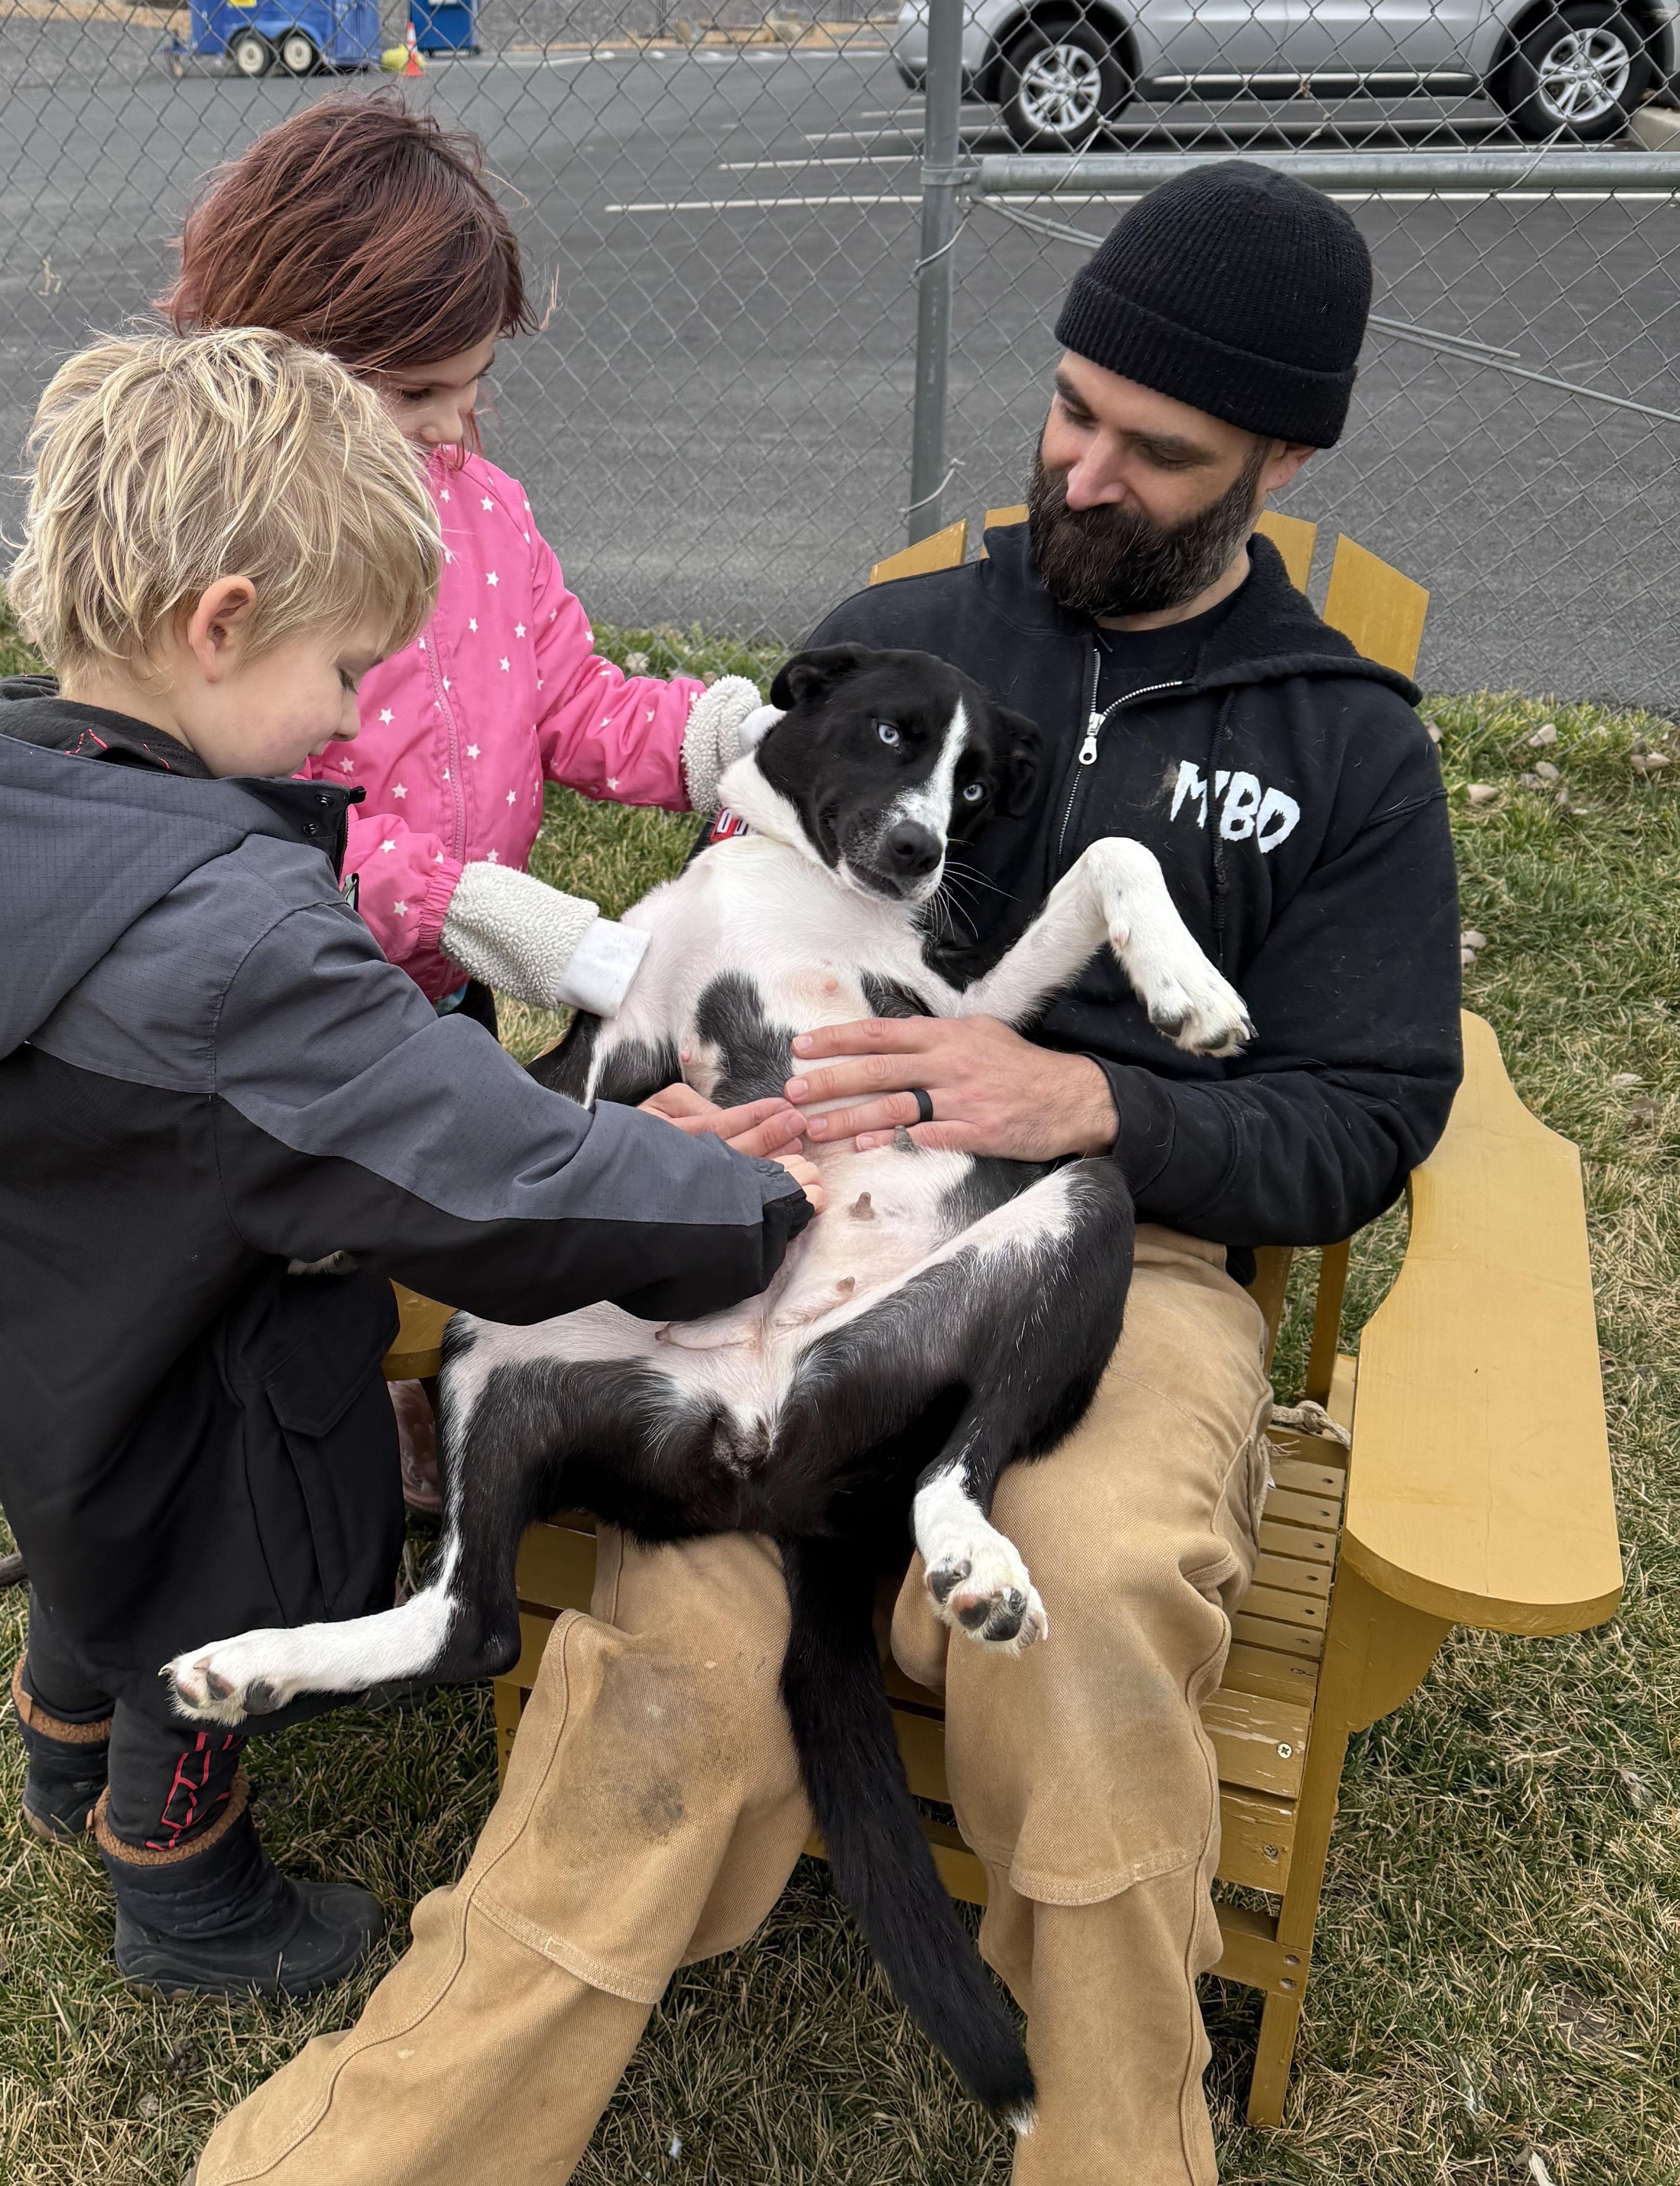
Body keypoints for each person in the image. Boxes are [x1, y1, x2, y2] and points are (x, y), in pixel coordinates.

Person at [194, 164, 1463, 2186]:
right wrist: (667, 1119)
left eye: (1160, 450)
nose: (1085, 471)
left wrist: (1095, 1107)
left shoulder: (1342, 748)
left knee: (1091, 1594)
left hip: (1115, 1270)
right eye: (1069, 411)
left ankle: (1122, 2150)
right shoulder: (899, 637)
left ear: (1282, 460)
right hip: (785, 1237)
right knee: (668, 1677)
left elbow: (1373, 1117)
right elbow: (705, 927)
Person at [0, 327, 822, 2004]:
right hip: (214, 1366)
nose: (358, 711)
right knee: (209, 1602)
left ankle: (58, 1744)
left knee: (92, 1540)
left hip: (63, 1319)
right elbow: (490, 1177)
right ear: (219, 626)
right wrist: (740, 1198)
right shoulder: (224, 945)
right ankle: (183, 1887)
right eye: (348, 667)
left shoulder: (3, 795)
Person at [163, 97, 768, 1034]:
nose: (452, 425)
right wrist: (450, 901)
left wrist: (724, 740)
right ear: (280, 355)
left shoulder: (484, 509)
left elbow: (568, 700)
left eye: (472, 385)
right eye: (417, 392)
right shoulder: (235, 550)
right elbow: (250, 815)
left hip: (449, 985)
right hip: (294, 999)